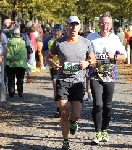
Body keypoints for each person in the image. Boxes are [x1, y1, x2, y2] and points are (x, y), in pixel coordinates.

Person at [46, 16, 96, 150]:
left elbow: (93, 59)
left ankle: (73, 122)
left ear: (79, 27)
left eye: (76, 25)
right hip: (63, 80)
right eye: (71, 25)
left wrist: (87, 62)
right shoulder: (58, 43)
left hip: (78, 82)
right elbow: (48, 57)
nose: (73, 28)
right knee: (63, 112)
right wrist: (53, 63)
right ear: (66, 26)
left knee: (76, 114)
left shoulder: (85, 42)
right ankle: (65, 140)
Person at [86, 13, 126, 144]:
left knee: (108, 106)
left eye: (107, 23)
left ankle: (104, 130)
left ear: (110, 25)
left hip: (110, 76)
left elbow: (124, 57)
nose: (105, 25)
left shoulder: (114, 38)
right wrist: (89, 60)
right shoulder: (91, 37)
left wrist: (114, 57)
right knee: (98, 104)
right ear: (99, 24)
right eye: (103, 23)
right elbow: (84, 53)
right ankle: (97, 132)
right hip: (95, 75)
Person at [45, 24, 63, 117]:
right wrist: (50, 62)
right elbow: (44, 51)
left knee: (63, 87)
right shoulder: (49, 40)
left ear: (61, 31)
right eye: (55, 30)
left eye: (58, 31)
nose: (57, 32)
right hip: (54, 67)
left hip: (64, 67)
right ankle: (58, 109)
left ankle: (65, 106)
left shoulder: (65, 40)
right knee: (56, 87)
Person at [5, 28, 28, 98]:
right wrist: (15, 58)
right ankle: (20, 93)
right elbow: (22, 53)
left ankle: (11, 93)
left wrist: (10, 58)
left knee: (10, 79)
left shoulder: (8, 41)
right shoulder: (22, 42)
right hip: (20, 63)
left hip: (10, 63)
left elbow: (6, 52)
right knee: (20, 79)